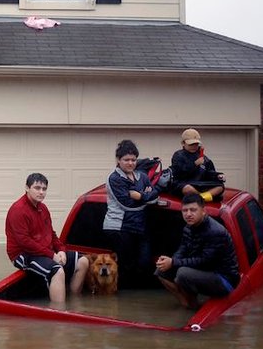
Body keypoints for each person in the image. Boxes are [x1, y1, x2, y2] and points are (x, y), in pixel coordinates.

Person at [5, 173, 89, 302]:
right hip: (22, 254)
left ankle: (74, 301)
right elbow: (24, 242)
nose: (41, 192)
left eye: (44, 189)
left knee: (83, 261)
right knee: (58, 271)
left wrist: (61, 250)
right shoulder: (18, 210)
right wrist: (52, 255)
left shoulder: (43, 208)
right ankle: (59, 313)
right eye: (37, 188)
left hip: (43, 251)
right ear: (27, 188)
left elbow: (51, 233)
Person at [154, 193, 240, 308]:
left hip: (224, 279)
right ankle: (186, 303)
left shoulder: (215, 232)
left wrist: (174, 263)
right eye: (185, 210)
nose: (188, 214)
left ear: (203, 211)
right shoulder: (188, 228)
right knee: (161, 271)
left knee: (183, 273)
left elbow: (204, 261)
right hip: (203, 270)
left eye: (193, 210)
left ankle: (193, 305)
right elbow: (182, 249)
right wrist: (169, 261)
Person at [103, 139, 161, 287]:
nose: (130, 163)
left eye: (133, 159)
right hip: (119, 227)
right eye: (126, 159)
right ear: (118, 160)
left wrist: (140, 196)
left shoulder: (142, 176)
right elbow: (127, 204)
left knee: (144, 263)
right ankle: (120, 303)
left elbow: (155, 196)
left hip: (139, 226)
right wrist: (146, 196)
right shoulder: (114, 178)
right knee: (126, 267)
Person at [169, 128, 225, 201]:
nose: (194, 147)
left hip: (199, 184)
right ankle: (202, 198)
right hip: (184, 183)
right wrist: (194, 164)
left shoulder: (203, 158)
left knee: (220, 187)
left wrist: (218, 175)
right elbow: (179, 173)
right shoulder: (178, 155)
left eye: (196, 144)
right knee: (187, 189)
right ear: (183, 143)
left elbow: (209, 173)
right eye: (191, 144)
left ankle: (201, 198)